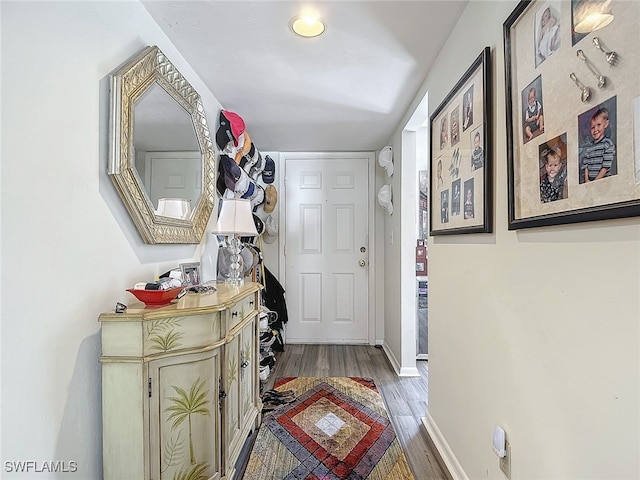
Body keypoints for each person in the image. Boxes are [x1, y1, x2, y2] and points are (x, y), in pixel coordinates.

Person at [583, 107, 615, 182]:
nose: (595, 130)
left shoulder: (608, 144)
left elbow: (605, 167)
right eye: (592, 127)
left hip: (603, 181)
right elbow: (586, 166)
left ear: (606, 124)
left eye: (599, 125)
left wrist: (596, 181)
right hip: (590, 181)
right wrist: (587, 180)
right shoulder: (589, 147)